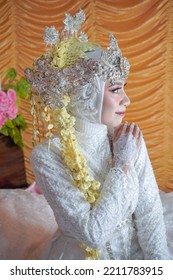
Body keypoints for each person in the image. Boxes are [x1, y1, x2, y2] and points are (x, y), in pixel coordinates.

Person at [24, 10, 172, 260]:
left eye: (125, 88)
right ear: (85, 93)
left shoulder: (128, 138)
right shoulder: (48, 155)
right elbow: (93, 233)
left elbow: (149, 214)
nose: (127, 99)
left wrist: (160, 268)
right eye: (116, 89)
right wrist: (122, 166)